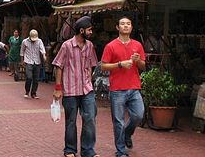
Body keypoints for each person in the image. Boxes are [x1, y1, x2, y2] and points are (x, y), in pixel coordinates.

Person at [52, 16, 100, 157]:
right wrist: (58, 88)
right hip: (70, 90)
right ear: (81, 30)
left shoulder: (90, 45)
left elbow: (92, 64)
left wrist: (88, 79)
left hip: (87, 89)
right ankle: (70, 150)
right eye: (89, 30)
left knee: (90, 118)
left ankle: (88, 151)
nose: (91, 32)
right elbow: (59, 66)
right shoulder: (66, 45)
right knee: (71, 121)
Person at [101, 16, 146, 157]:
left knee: (138, 115)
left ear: (131, 27)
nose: (125, 26)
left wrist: (138, 61)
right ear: (117, 27)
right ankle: (120, 151)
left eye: (128, 24)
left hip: (134, 87)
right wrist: (120, 64)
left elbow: (143, 67)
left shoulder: (138, 45)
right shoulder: (110, 46)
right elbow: (103, 66)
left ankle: (127, 133)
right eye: (122, 24)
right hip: (117, 89)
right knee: (118, 122)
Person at [20, 29, 46, 99]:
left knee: (36, 79)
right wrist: (22, 61)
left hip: (37, 61)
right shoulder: (24, 42)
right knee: (29, 77)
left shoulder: (39, 41)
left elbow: (42, 49)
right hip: (28, 61)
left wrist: (44, 55)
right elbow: (22, 51)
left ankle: (33, 93)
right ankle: (27, 91)